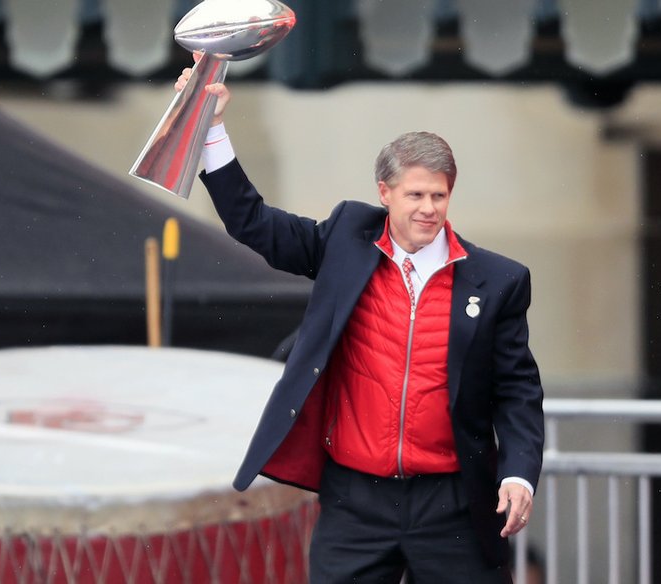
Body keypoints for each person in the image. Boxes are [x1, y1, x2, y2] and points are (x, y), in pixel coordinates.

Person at [176, 57, 544, 583]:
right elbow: (253, 223)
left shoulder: (498, 280)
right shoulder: (345, 239)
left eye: (438, 195)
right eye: (415, 195)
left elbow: (518, 391)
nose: (428, 209)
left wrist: (519, 475)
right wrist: (212, 130)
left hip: (453, 502)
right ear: (384, 193)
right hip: (356, 499)